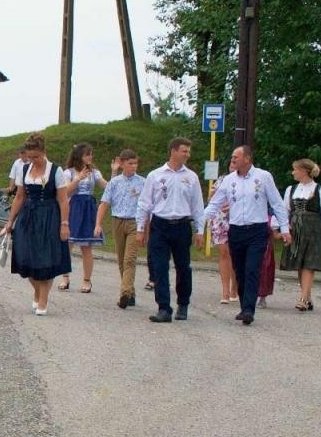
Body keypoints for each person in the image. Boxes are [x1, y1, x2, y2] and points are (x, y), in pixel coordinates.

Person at [203, 144, 289, 326]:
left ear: (247, 159)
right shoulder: (228, 180)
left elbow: (277, 203)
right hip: (236, 230)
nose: (233, 159)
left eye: (236, 156)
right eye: (232, 156)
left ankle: (249, 309)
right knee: (240, 271)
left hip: (257, 230)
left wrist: (285, 228)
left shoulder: (263, 177)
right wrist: (199, 222)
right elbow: (215, 203)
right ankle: (244, 305)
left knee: (252, 269)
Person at [2, 133, 73, 316]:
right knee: (24, 255)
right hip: (28, 216)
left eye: (36, 156)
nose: (34, 160)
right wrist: (10, 221)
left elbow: (63, 200)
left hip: (49, 216)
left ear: (44, 152)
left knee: (45, 258)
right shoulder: (24, 170)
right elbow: (19, 196)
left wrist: (64, 224)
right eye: (30, 157)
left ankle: (43, 299)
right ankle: (37, 290)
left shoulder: (55, 171)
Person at [136, 137, 206, 323]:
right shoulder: (156, 175)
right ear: (173, 151)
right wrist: (141, 228)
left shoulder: (191, 177)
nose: (187, 154)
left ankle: (183, 303)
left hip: (181, 225)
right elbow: (144, 203)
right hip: (160, 225)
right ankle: (164, 307)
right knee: (159, 267)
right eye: (184, 151)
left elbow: (198, 205)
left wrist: (200, 230)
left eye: (188, 151)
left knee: (183, 267)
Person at [281, 159, 321, 311]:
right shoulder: (291, 189)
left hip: (313, 229)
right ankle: (307, 296)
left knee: (309, 263)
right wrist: (284, 229)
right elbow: (285, 210)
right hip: (296, 228)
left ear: (304, 171)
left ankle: (303, 299)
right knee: (299, 262)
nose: (293, 172)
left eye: (295, 169)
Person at [95, 149, 145, 308]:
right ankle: (131, 293)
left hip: (134, 223)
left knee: (130, 258)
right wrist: (98, 224)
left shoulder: (143, 182)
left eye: (135, 163)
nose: (133, 166)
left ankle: (124, 292)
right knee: (121, 259)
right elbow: (104, 204)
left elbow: (147, 206)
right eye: (130, 163)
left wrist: (145, 228)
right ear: (122, 164)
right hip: (118, 221)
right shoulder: (114, 183)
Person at [60, 142, 106, 293]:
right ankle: (65, 277)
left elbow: (107, 187)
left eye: (91, 154)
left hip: (88, 208)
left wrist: (114, 173)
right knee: (68, 244)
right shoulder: (69, 172)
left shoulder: (94, 172)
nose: (90, 157)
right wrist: (78, 178)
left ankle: (87, 280)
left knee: (86, 247)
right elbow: (66, 192)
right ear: (79, 156)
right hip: (74, 207)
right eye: (87, 154)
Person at [208, 203, 236, 305]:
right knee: (224, 252)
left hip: (237, 214)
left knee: (235, 253)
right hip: (220, 215)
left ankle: (235, 287)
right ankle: (225, 291)